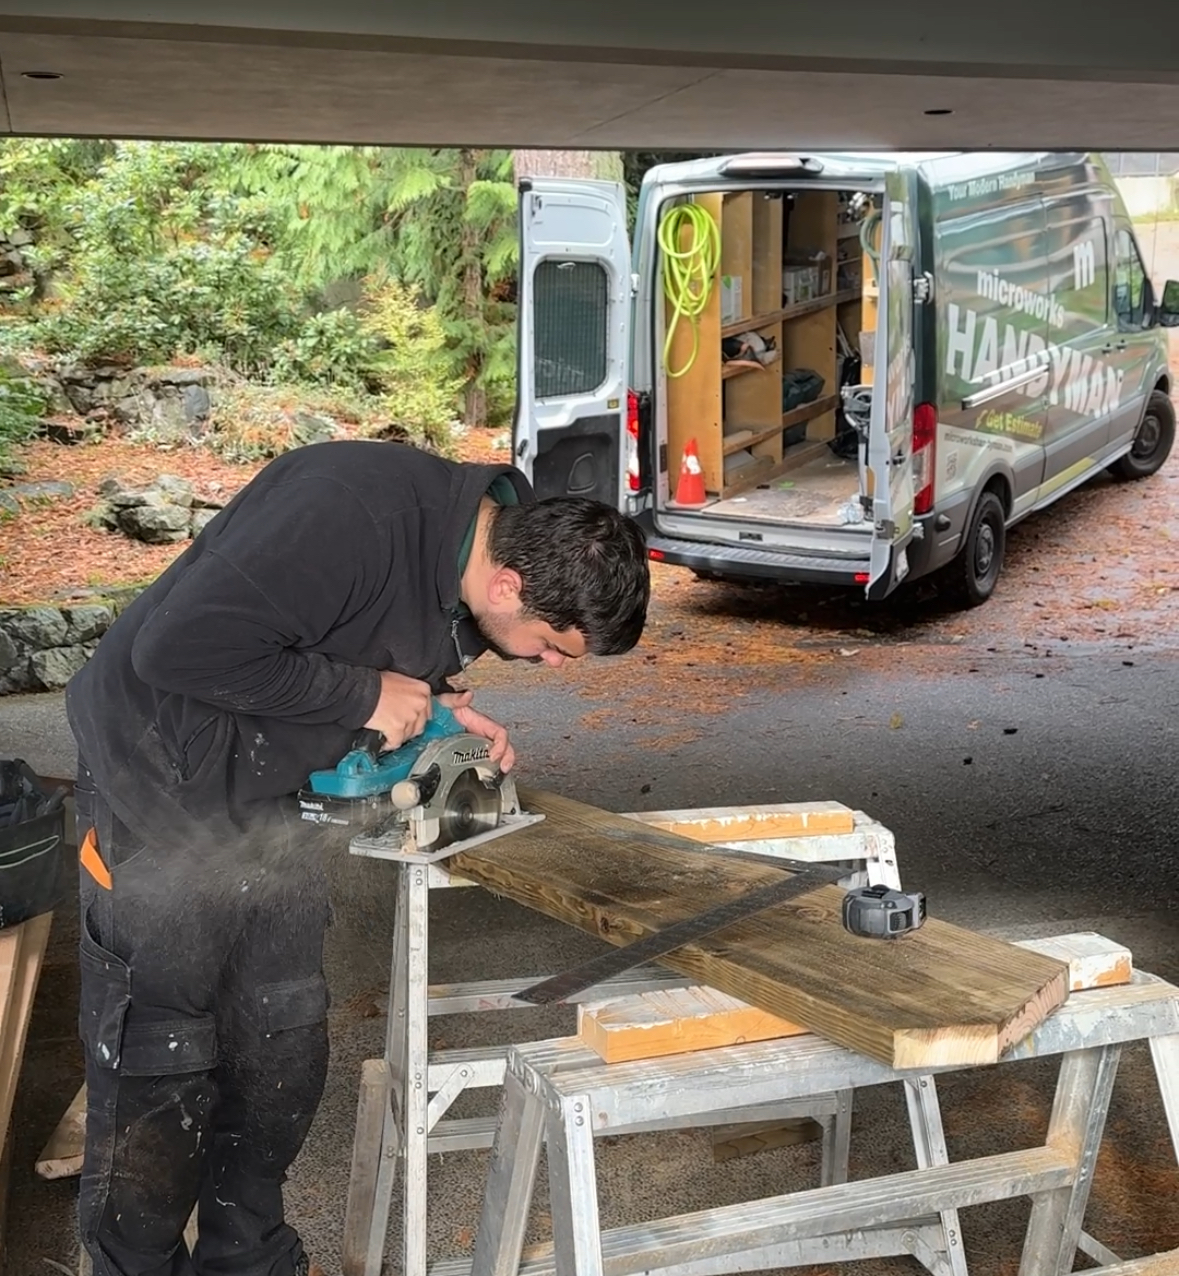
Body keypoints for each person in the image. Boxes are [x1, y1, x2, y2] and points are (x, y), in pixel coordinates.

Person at [65, 437, 650, 1276]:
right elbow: (179, 648)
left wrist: (440, 717)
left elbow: (345, 644)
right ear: (507, 585)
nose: (550, 664)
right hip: (156, 785)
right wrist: (364, 694)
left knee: (278, 1044)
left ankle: (248, 1260)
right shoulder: (346, 512)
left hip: (272, 805)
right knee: (163, 1058)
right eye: (552, 644)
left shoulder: (475, 558)